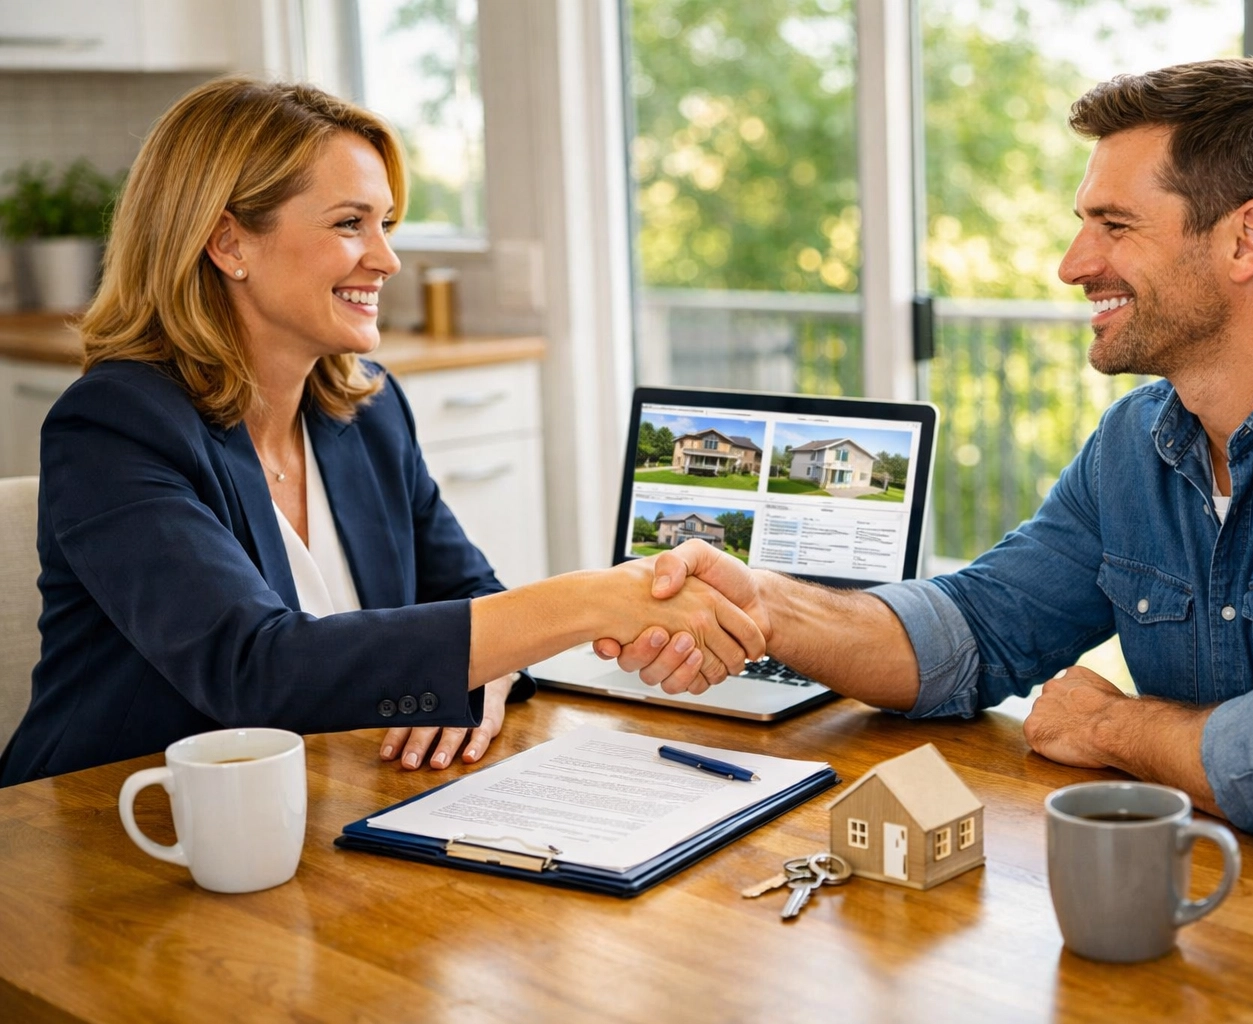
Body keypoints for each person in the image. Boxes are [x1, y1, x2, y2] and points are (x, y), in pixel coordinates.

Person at [599, 58, 1253, 853]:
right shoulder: (1140, 441)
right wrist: (766, 607)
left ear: (1248, 238)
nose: (1072, 263)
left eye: (1115, 225)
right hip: (1223, 907)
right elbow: (973, 634)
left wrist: (1112, 725)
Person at [0, 77, 761, 787]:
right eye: (349, 224)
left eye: (386, 224)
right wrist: (594, 600)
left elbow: (470, 593)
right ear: (229, 243)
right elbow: (256, 671)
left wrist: (485, 674)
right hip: (107, 833)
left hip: (319, 808)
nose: (388, 258)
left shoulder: (366, 412)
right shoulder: (114, 428)